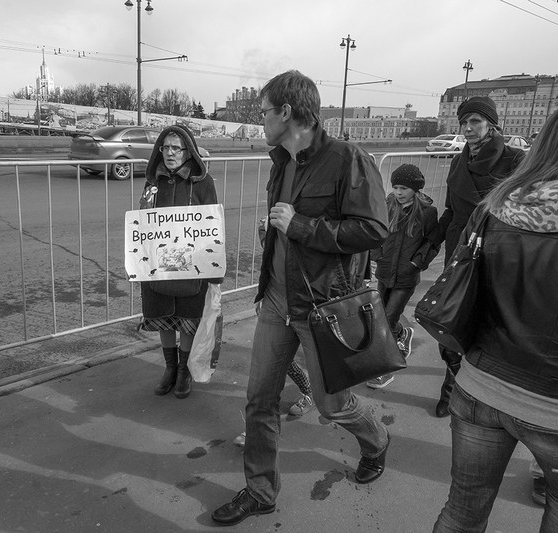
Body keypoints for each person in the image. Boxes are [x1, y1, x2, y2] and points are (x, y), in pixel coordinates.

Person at [433, 97, 558, 532]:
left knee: (462, 511)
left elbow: (461, 294)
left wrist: (461, 365)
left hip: (478, 388)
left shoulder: (497, 205)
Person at [211, 70, 390, 526]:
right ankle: (260, 492)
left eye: (265, 112)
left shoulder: (348, 158)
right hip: (275, 300)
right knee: (259, 399)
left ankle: (376, 441)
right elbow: (287, 221)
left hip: (322, 308)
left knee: (333, 407)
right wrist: (276, 231)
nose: (261, 121)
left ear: (287, 112)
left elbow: (373, 229)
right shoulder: (282, 161)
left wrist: (301, 227)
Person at [433, 96, 525, 417]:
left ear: (491, 124)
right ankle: (452, 382)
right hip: (458, 249)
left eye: (475, 121)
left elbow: (519, 214)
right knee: (451, 321)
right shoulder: (460, 159)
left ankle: (477, 392)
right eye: (464, 122)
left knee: (484, 326)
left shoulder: (514, 160)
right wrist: (425, 246)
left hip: (492, 253)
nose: (468, 128)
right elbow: (451, 210)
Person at [138, 125, 218, 400]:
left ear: (188, 152)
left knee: (186, 318)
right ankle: (170, 368)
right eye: (166, 148)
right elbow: (142, 223)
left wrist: (214, 270)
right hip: (157, 267)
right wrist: (136, 259)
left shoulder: (203, 183)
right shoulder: (152, 183)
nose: (170, 153)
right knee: (162, 317)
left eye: (176, 148)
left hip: (190, 267)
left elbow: (212, 230)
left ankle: (183, 370)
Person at [366, 163, 439, 389]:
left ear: (415, 190)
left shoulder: (427, 212)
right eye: (395, 187)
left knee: (385, 321)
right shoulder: (388, 204)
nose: (398, 192)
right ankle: (403, 333)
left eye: (403, 188)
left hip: (406, 277)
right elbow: (376, 231)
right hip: (385, 271)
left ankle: (386, 370)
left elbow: (431, 242)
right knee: (384, 318)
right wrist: (377, 255)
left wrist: (416, 263)